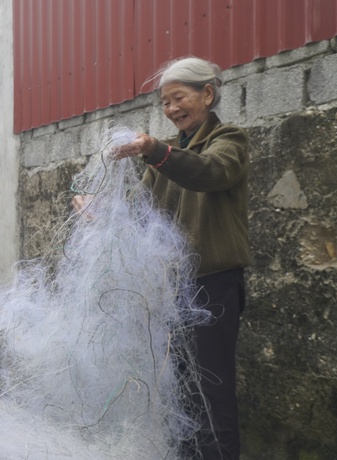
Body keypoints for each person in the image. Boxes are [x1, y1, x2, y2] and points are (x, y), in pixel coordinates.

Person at [73, 57, 250, 459]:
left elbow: (211, 173)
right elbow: (140, 209)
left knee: (211, 393)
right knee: (180, 392)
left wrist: (155, 149)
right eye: (165, 103)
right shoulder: (168, 157)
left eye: (178, 98)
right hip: (175, 289)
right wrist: (99, 212)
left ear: (207, 94)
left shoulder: (229, 141)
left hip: (214, 285)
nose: (171, 109)